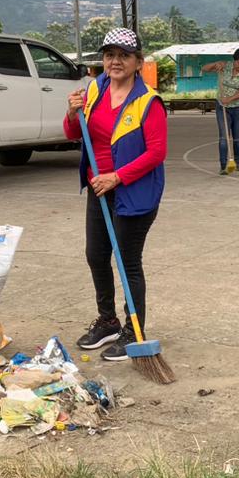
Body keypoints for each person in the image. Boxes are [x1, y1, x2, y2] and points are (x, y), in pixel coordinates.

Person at [64, 27, 168, 361]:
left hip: (134, 193)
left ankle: (134, 331)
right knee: (96, 255)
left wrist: (117, 177)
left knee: (127, 262)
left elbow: (156, 152)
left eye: (124, 55)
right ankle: (107, 321)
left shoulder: (148, 101)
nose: (115, 61)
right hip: (99, 188)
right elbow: (74, 133)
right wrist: (72, 113)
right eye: (110, 55)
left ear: (138, 61)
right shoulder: (95, 90)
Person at [201, 47, 239, 174]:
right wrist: (215, 64)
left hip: (238, 107)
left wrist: (229, 99)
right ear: (234, 60)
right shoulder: (224, 66)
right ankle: (223, 166)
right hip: (222, 107)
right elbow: (204, 68)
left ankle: (238, 162)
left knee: (238, 138)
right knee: (224, 137)